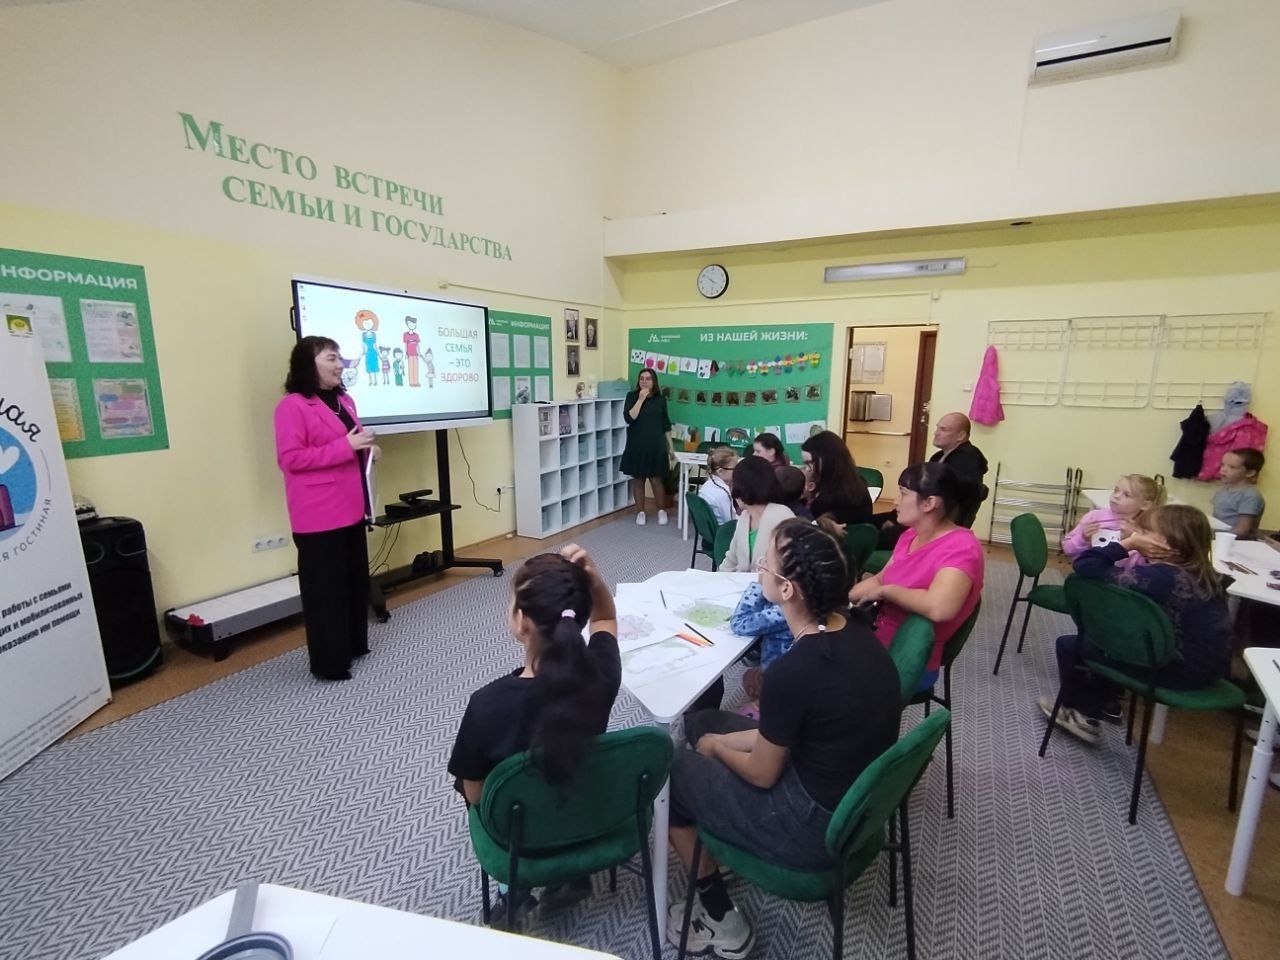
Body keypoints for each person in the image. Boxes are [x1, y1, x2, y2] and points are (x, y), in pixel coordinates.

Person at [666, 520, 901, 956]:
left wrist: (717, 749)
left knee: (671, 770)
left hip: (810, 826)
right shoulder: (857, 633)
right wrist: (718, 740)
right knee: (703, 722)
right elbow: (796, 727)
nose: (759, 567)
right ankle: (719, 832)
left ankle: (720, 918)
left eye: (766, 562)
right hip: (844, 797)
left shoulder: (794, 671)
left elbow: (761, 773)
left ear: (787, 589)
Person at [447, 544, 621, 919]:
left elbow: (478, 797)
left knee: (466, 782)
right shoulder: (602, 675)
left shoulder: (486, 704)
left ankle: (514, 888)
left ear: (522, 621)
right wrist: (594, 580)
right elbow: (606, 619)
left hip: (521, 835)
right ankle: (571, 872)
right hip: (585, 817)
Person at [1039, 505, 1231, 743]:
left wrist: (1128, 544)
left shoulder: (1159, 577)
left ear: (1168, 543)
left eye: (1145, 532)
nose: (1137, 534)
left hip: (1175, 672)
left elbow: (1086, 564)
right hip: (1209, 670)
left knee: (1072, 645)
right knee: (1111, 640)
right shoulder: (1206, 574)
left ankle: (1082, 716)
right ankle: (1103, 703)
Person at [273, 336, 379, 681]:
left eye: (339, 358)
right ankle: (329, 663)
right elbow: (291, 459)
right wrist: (345, 446)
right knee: (325, 592)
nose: (339, 365)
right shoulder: (292, 406)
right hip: (317, 514)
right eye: (331, 358)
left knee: (353, 581)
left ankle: (354, 644)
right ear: (309, 364)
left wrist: (368, 450)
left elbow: (355, 442)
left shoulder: (345, 400)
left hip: (352, 507)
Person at [851, 462, 984, 694]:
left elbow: (939, 608)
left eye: (903, 494)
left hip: (909, 658)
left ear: (930, 503)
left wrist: (888, 592)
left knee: (816, 672)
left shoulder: (961, 549)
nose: (895, 501)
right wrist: (841, 596)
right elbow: (881, 579)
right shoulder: (911, 535)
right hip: (876, 636)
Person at [1062, 474, 1165, 570]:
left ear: (1145, 505)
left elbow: (1149, 564)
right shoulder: (1094, 517)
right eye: (1116, 490)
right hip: (1088, 574)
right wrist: (1083, 539)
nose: (1116, 496)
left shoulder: (1147, 528)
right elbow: (1068, 549)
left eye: (1127, 495)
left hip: (1123, 579)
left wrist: (1133, 539)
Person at [719, 455, 793, 573]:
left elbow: (789, 567)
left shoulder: (781, 516)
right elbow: (731, 559)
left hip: (771, 584)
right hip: (744, 582)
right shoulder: (744, 517)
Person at [621, 369, 672, 526]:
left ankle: (661, 510)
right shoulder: (631, 396)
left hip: (656, 445)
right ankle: (640, 512)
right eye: (642, 378)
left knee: (656, 479)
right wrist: (640, 399)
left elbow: (666, 424)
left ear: (654, 381)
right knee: (638, 479)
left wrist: (671, 448)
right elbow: (630, 418)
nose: (644, 381)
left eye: (648, 378)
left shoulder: (660, 399)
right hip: (637, 445)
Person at [800, 430, 872, 532]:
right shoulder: (856, 483)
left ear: (827, 460)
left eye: (810, 463)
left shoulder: (830, 500)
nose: (807, 469)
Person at [928, 412, 989, 527]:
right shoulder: (938, 456)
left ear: (961, 436)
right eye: (937, 428)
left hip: (942, 524)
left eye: (943, 429)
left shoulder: (967, 458)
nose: (936, 433)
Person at [1212, 448, 1266, 539]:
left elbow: (1242, 530)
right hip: (1219, 538)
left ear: (1250, 473)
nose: (1223, 470)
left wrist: (1211, 535)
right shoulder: (1223, 490)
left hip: (1239, 542)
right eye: (1223, 465)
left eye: (1232, 467)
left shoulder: (1250, 495)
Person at [697, 446, 738, 525]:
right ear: (720, 471)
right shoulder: (723, 492)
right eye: (735, 468)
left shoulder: (707, 484)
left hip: (712, 529)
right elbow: (730, 522)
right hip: (724, 530)